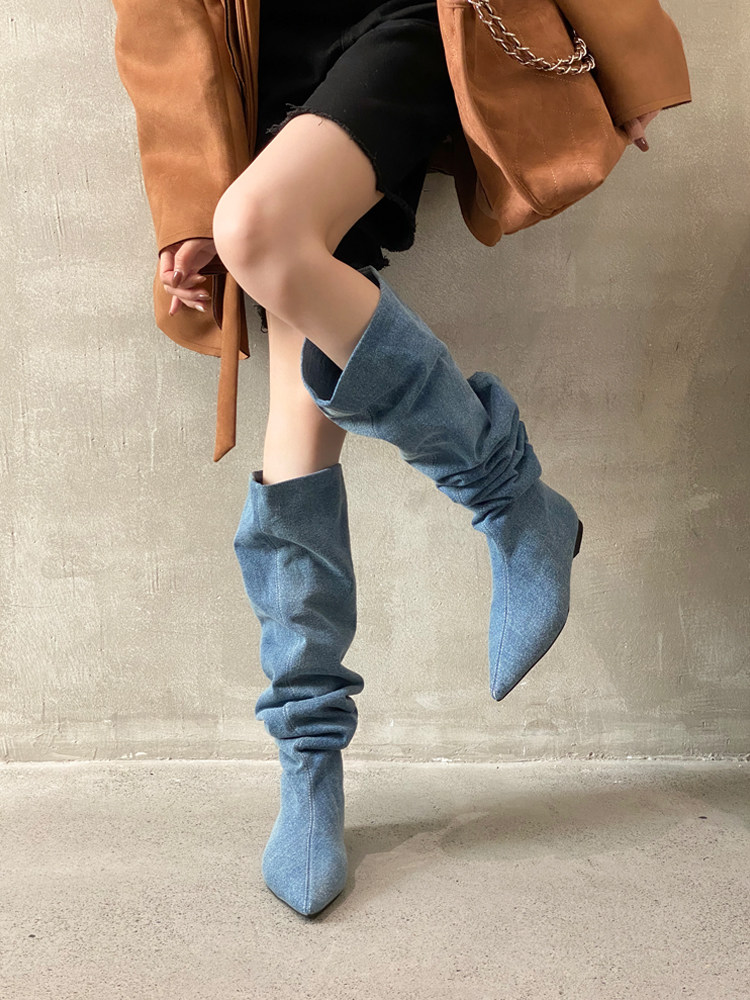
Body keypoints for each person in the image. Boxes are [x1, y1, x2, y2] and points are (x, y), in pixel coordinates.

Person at [154, 0, 663, 917]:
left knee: (258, 230)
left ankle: (509, 499)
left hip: (408, 18)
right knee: (295, 404)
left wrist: (630, 57)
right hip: (260, 65)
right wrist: (186, 207)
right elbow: (157, 25)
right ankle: (309, 766)